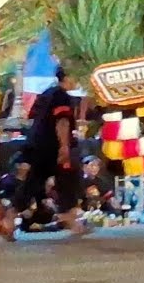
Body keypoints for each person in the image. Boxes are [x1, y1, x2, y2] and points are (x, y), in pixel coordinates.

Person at [5, 68, 86, 239]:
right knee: (68, 178)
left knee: (33, 183)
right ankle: (69, 217)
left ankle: (10, 217)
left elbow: (34, 118)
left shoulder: (46, 93)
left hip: (37, 145)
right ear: (67, 77)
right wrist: (64, 147)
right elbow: (62, 122)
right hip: (52, 147)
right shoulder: (61, 96)